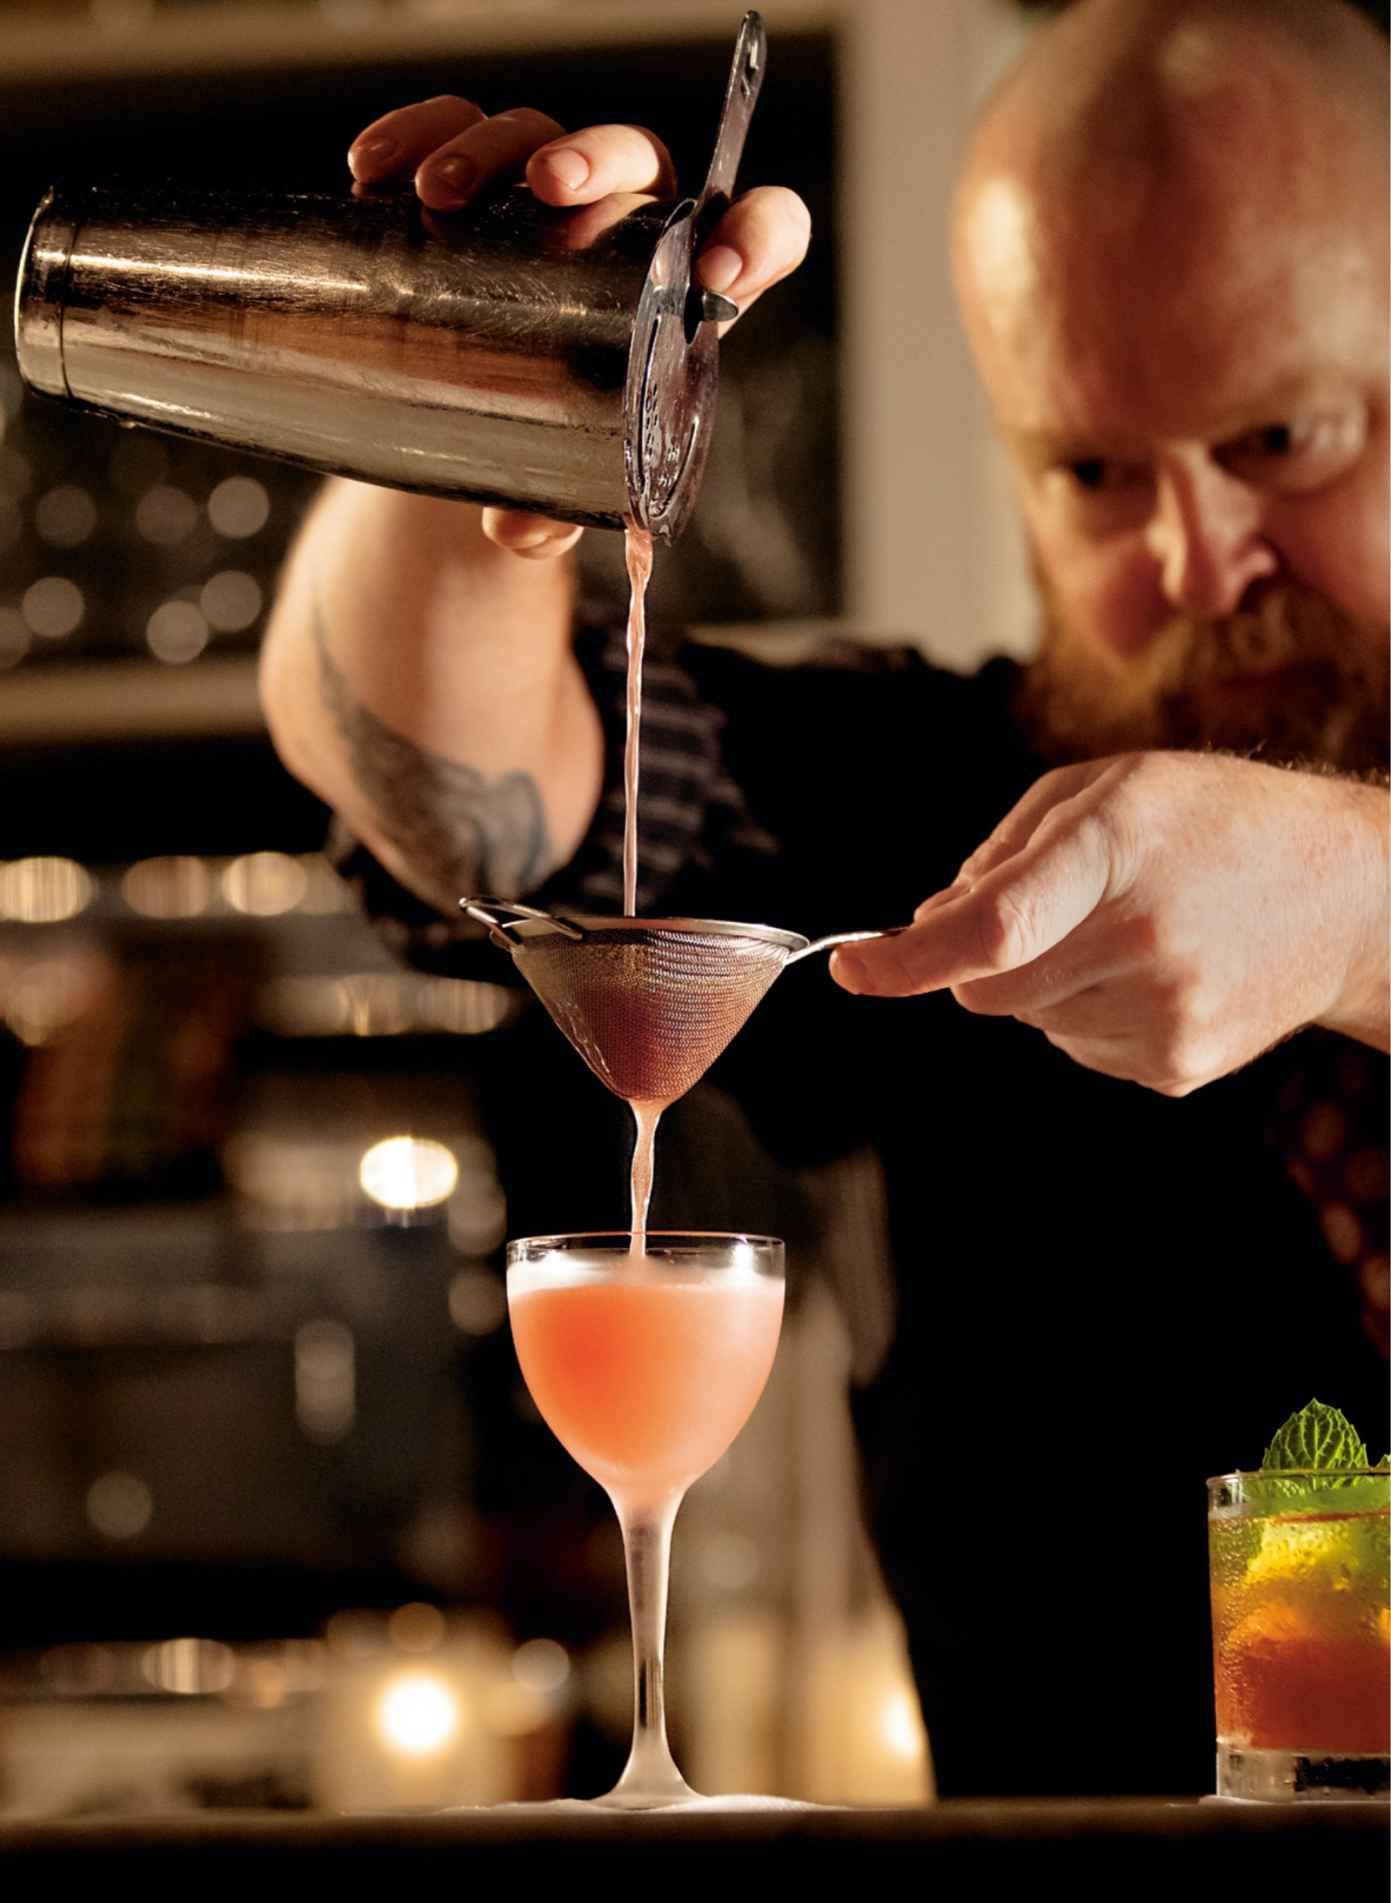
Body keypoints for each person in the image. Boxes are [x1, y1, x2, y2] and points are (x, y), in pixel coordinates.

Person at [260, 0, 1389, 1797]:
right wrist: (487, 381)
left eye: (1288, 436)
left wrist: (1360, 907)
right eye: (1095, 474)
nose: (1193, 566)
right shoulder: (939, 811)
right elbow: (450, 782)